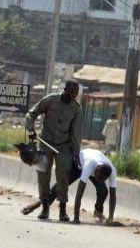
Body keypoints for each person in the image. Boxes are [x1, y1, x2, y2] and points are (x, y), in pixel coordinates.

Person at [25, 80, 83, 222]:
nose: (72, 97)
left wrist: (76, 154)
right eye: (70, 93)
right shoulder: (50, 100)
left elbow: (76, 134)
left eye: (75, 95)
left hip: (63, 147)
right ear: (64, 90)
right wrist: (31, 129)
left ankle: (62, 210)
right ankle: (45, 208)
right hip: (45, 143)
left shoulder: (77, 109)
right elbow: (31, 114)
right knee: (43, 175)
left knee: (63, 177)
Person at [21, 148, 120, 226]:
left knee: (103, 190)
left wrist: (111, 217)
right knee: (62, 185)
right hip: (79, 162)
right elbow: (79, 193)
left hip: (95, 159)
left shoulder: (112, 171)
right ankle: (38, 204)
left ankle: (98, 212)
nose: (100, 180)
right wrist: (76, 218)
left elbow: (113, 196)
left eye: (103, 179)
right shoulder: (89, 166)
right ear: (96, 170)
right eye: (98, 177)